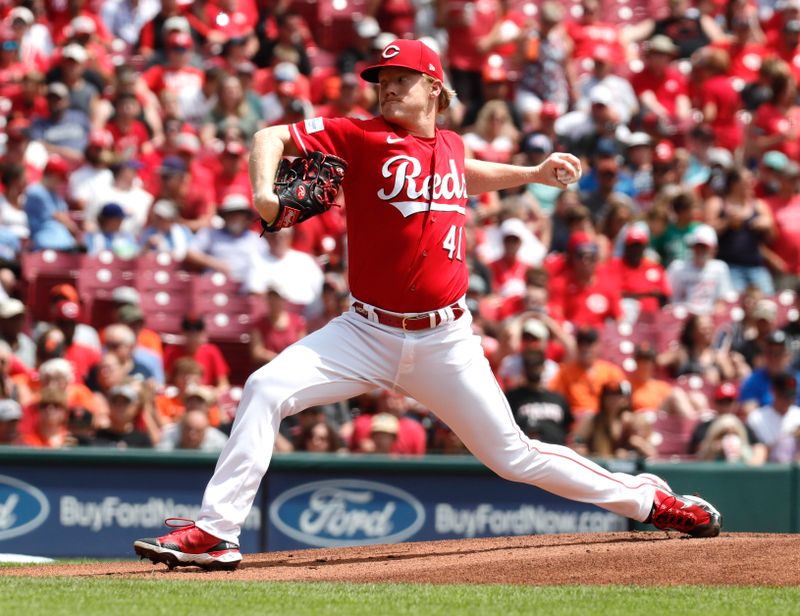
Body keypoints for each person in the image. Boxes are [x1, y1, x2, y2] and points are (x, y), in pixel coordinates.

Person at [134, 38, 721, 571]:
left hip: (446, 340)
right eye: (381, 79)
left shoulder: (450, 145)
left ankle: (652, 500)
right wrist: (264, 189)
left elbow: (466, 172)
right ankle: (217, 531)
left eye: (401, 77)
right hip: (363, 332)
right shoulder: (360, 136)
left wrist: (533, 173)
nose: (387, 87)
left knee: (513, 456)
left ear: (434, 86)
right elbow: (270, 138)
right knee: (264, 387)